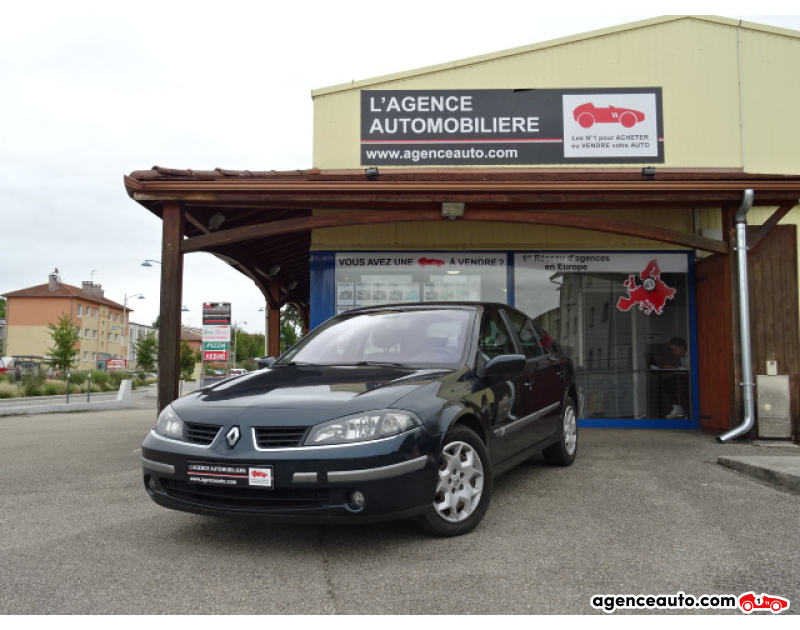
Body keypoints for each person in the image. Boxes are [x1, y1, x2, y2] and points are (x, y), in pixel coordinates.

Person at [663, 337, 689, 418]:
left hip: (691, 379)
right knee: (667, 383)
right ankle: (676, 406)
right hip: (685, 377)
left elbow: (690, 369)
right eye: (672, 350)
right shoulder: (682, 357)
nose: (673, 352)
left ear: (682, 347)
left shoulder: (691, 355)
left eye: (675, 349)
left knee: (680, 385)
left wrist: (674, 368)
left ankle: (688, 412)